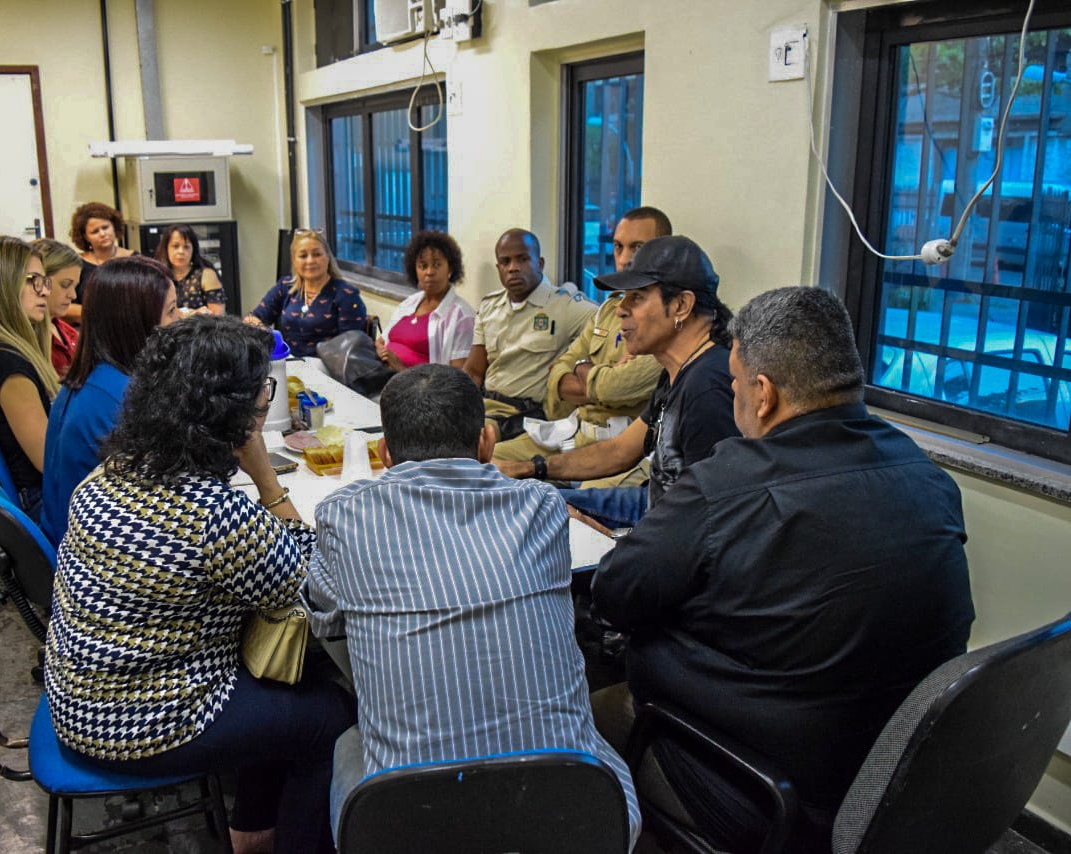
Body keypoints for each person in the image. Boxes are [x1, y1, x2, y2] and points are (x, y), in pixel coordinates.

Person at [592, 287, 975, 852]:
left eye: (736, 385)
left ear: (763, 393)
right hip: (894, 781)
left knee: (588, 717)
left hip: (762, 790)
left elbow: (615, 592)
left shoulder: (728, 484)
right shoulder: (925, 475)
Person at [44, 315, 354, 854]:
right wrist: (267, 480)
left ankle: (252, 827)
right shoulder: (214, 515)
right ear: (231, 410)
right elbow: (308, 581)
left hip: (76, 698)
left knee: (282, 688)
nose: (266, 399)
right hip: (143, 724)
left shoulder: (111, 472)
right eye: (263, 390)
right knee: (331, 717)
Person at [302, 363, 640, 846]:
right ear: (486, 442)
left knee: (351, 738)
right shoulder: (541, 507)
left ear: (384, 453)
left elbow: (325, 615)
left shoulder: (342, 516)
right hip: (580, 812)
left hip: (413, 821)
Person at [497, 235, 739, 531]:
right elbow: (620, 451)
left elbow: (708, 522)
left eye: (636, 297)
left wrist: (618, 555)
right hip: (655, 504)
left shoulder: (708, 387)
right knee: (535, 502)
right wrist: (530, 469)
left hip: (674, 527)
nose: (621, 308)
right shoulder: (679, 371)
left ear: (681, 305)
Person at [492, 207, 671, 465]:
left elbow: (615, 388)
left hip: (622, 448)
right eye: (619, 247)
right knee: (490, 460)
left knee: (572, 499)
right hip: (573, 432)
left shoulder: (667, 320)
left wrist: (584, 375)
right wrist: (595, 371)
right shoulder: (608, 311)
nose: (625, 259)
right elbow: (556, 376)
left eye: (638, 248)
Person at [39, 255, 179, 546]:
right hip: (94, 560)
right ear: (135, 322)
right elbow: (174, 501)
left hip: (71, 539)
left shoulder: (97, 377)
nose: (179, 322)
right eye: (171, 311)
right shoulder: (123, 399)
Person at [462, 228, 596, 441]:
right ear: (498, 268)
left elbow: (609, 323)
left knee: (464, 442)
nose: (513, 268)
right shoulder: (489, 307)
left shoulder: (565, 306)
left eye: (522, 259)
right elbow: (474, 372)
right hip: (486, 406)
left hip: (526, 416)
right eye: (505, 262)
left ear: (540, 263)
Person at [0, 236, 59, 521]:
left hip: (40, 491)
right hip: (42, 499)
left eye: (45, 282)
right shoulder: (7, 363)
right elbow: (47, 458)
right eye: (34, 280)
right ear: (1, 285)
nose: (44, 292)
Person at [245, 229, 367, 357]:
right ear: (294, 260)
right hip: (288, 361)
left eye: (317, 254)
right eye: (303, 256)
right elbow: (252, 319)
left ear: (328, 257)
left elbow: (351, 346)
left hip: (329, 366)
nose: (310, 261)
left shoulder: (346, 294)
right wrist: (269, 336)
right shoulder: (285, 287)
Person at [375, 231, 474, 371]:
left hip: (417, 389)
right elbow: (381, 341)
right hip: (381, 374)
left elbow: (457, 381)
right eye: (423, 266)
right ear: (414, 269)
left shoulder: (462, 317)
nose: (429, 272)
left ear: (450, 268)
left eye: (437, 265)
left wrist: (401, 368)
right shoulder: (409, 303)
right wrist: (381, 352)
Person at [68, 201, 133, 324]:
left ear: (114, 226)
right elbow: (65, 307)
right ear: (86, 237)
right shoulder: (76, 264)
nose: (103, 234)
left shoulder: (134, 259)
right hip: (87, 329)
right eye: (95, 231)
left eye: (105, 227)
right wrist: (103, 314)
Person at [31, 239, 82, 379]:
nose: (73, 295)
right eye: (65, 284)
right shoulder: (27, 340)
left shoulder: (67, 331)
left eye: (75, 286)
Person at [154, 222, 226, 316]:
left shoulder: (206, 275)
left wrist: (188, 316)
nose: (181, 252)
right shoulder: (158, 275)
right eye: (175, 246)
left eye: (186, 247)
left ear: (193, 249)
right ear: (166, 248)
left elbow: (218, 316)